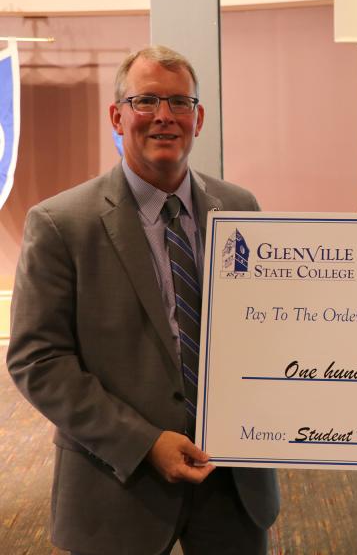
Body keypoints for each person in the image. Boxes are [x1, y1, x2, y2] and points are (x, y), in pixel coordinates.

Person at [7, 45, 279, 555]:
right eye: (146, 101)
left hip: (234, 482)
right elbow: (37, 361)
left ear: (197, 118)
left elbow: (267, 323)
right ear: (117, 115)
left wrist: (355, 265)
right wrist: (143, 443)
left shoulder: (241, 207)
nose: (164, 117)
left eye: (179, 103)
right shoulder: (61, 224)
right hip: (117, 483)